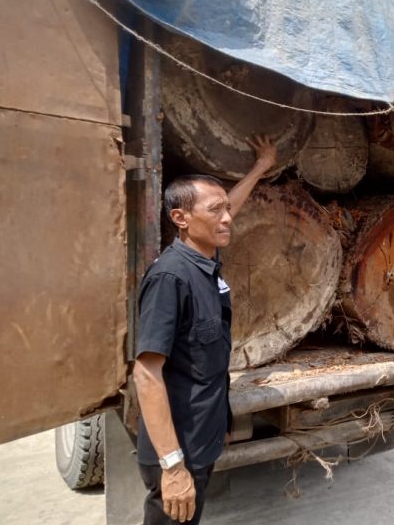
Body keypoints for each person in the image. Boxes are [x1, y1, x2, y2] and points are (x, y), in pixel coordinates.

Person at [133, 136, 277, 524]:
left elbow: (232, 205)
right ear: (181, 218)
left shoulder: (205, 260)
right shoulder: (170, 278)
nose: (227, 218)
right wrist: (173, 467)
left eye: (227, 210)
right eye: (216, 211)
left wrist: (262, 167)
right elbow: (146, 374)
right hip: (177, 450)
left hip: (201, 438)